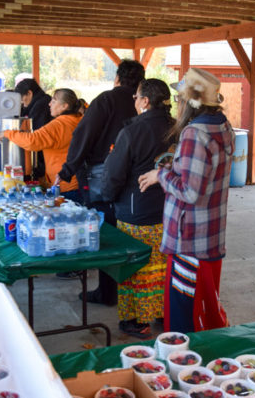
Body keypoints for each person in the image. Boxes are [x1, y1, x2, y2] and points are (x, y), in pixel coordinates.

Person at [138, 68, 235, 333]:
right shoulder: (222, 126)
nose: (177, 104)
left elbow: (191, 192)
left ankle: (187, 369)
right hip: (210, 236)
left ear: (190, 103)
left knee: (185, 319)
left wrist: (161, 175)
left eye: (180, 99)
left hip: (189, 240)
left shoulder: (194, 133)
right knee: (207, 309)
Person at [56, 59, 145, 304]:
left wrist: (68, 169)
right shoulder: (144, 104)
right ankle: (130, 292)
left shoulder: (106, 100)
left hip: (102, 175)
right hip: (138, 180)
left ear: (117, 78)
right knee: (130, 233)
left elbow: (83, 134)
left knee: (105, 231)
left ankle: (107, 292)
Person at [103, 79, 176, 338]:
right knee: (164, 265)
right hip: (172, 210)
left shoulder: (133, 132)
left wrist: (108, 196)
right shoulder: (178, 128)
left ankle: (136, 320)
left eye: (136, 97)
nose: (134, 101)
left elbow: (114, 174)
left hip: (137, 212)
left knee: (138, 266)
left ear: (145, 101)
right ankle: (164, 312)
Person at [0, 89, 83, 203]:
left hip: (65, 185)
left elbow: (32, 141)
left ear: (64, 106)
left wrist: (7, 133)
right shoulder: (80, 120)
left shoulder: (59, 125)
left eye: (54, 101)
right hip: (80, 181)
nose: (49, 104)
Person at [14, 78, 52, 181]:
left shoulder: (41, 105)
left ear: (29, 93)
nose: (22, 103)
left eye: (22, 98)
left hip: (45, 158)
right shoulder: (40, 102)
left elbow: (36, 133)